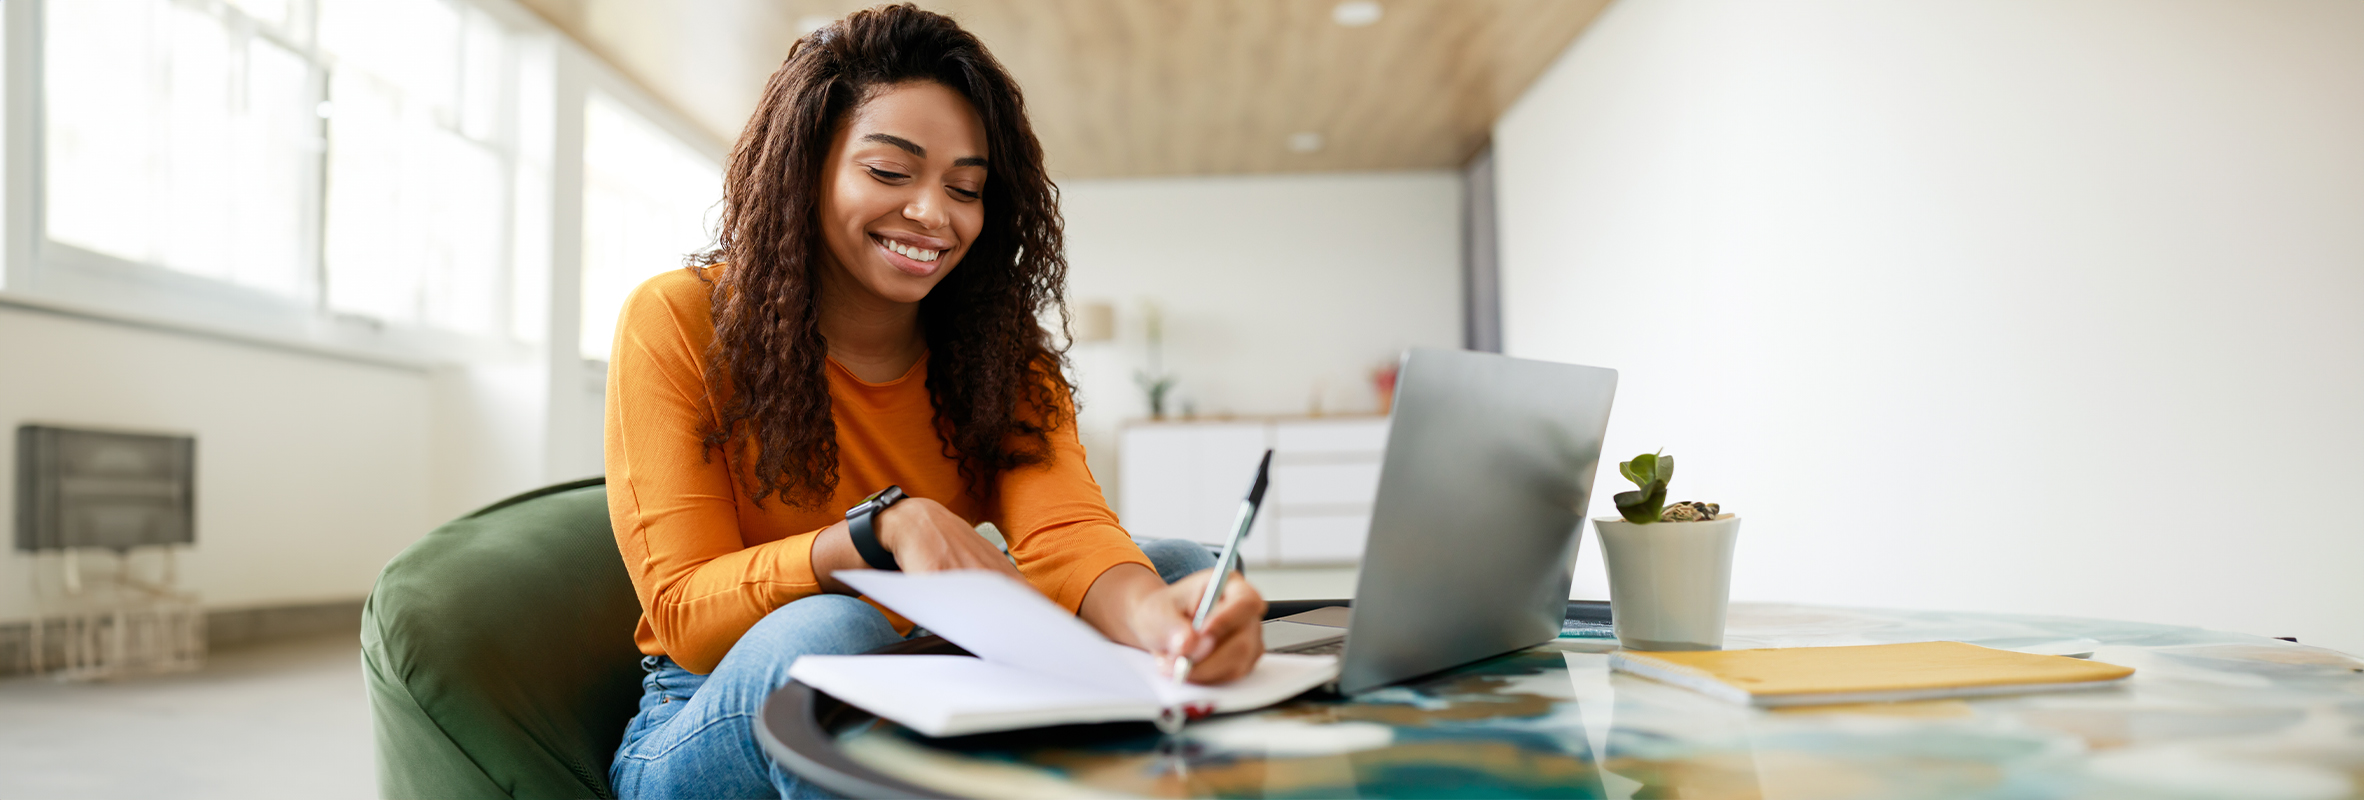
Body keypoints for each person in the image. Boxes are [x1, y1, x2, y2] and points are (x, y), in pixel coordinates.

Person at [601, 5, 1268, 798]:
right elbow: (683, 611)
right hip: (707, 712)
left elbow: (1065, 530)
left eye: (966, 187)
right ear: (805, 166)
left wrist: (1165, 631)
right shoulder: (675, 319)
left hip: (922, 665)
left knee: (1177, 570)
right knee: (833, 629)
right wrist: (879, 533)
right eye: (889, 172)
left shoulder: (996, 349)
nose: (933, 214)